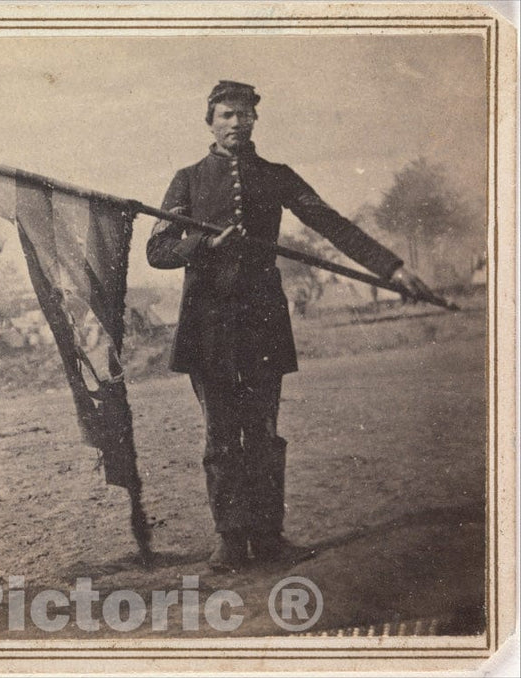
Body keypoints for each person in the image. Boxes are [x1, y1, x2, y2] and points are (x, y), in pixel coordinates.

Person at [147, 81, 432, 572]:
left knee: (263, 432)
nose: (236, 123)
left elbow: (333, 224)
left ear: (256, 120)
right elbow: (157, 251)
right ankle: (231, 539)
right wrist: (199, 245)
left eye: (245, 115)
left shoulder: (277, 176)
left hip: (262, 322)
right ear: (209, 122)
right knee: (220, 434)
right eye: (226, 115)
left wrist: (392, 269)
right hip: (208, 324)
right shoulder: (187, 180)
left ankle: (269, 536)